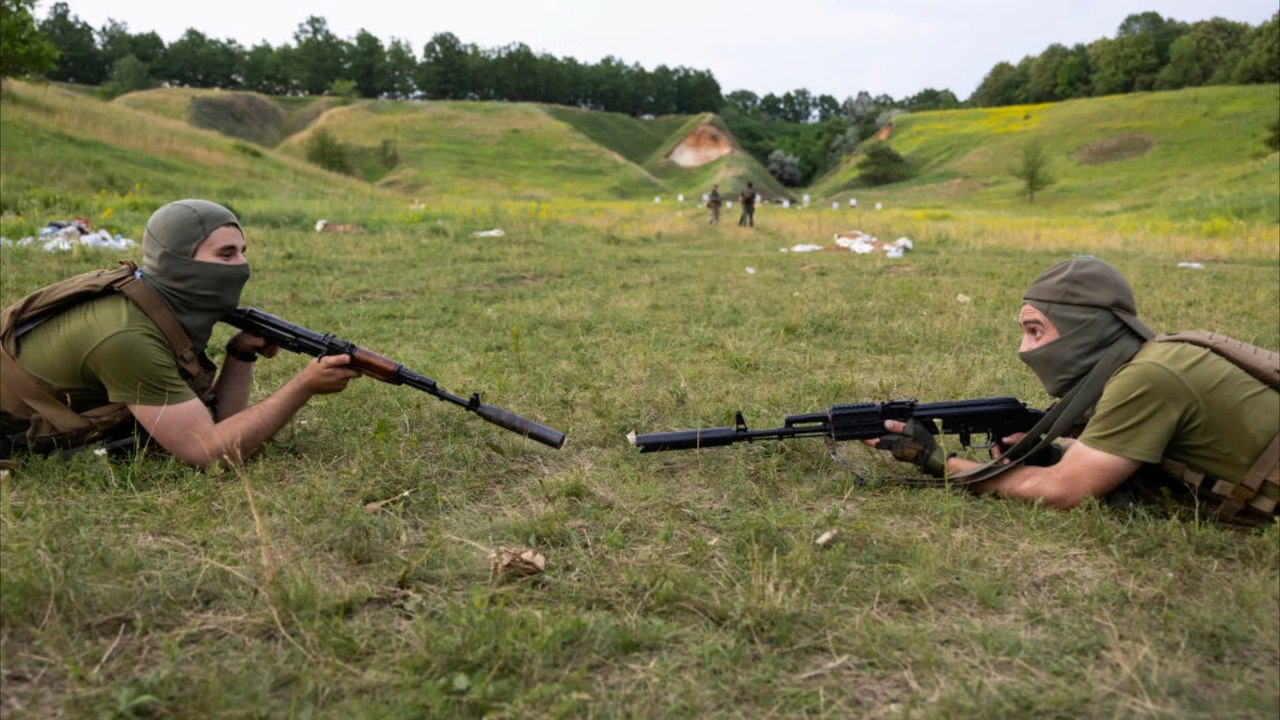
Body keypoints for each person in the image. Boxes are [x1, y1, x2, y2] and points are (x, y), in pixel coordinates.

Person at [870, 257, 1278, 524]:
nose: (1024, 349)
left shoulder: (1147, 378)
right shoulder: (1161, 355)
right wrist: (1062, 453)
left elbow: (1063, 492)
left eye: (1036, 331)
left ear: (1088, 330)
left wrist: (939, 461)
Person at [0, 199, 362, 468]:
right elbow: (208, 452)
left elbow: (220, 422)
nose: (242, 266)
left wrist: (239, 356)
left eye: (242, 252)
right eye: (225, 254)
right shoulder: (128, 337)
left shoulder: (156, 304)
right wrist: (304, 385)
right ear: (178, 261)